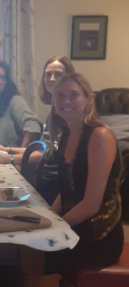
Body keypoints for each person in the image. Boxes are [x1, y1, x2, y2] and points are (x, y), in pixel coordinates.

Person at [46, 72, 123, 269]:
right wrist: (47, 219)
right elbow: (66, 193)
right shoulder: (67, 134)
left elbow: (90, 205)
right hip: (74, 225)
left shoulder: (100, 136)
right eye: (60, 95)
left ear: (88, 100)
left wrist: (54, 227)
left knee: (26, 258)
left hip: (97, 235)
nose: (66, 101)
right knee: (18, 250)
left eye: (74, 94)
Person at [0, 56, 75, 205]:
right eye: (48, 74)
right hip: (44, 177)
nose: (52, 79)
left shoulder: (15, 101)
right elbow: (47, 149)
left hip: (51, 182)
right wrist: (3, 149)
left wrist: (11, 157)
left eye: (58, 74)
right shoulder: (54, 112)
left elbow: (37, 134)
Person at [0, 60, 43, 156]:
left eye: (0, 77)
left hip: (10, 159)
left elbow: (33, 125)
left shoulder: (15, 101)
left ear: (6, 81)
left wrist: (21, 154)